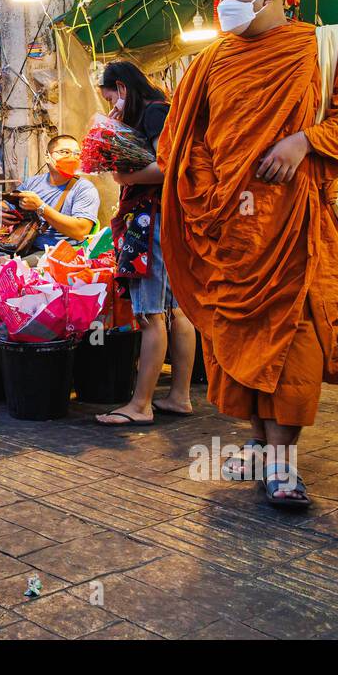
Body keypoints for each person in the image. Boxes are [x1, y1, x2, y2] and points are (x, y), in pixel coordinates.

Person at [158, 0, 338, 508]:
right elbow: (180, 143)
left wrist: (305, 141)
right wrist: (212, 192)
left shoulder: (326, 47)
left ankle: (284, 461)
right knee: (234, 340)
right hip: (229, 234)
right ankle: (260, 446)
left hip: (297, 227)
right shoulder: (210, 62)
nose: (224, 4)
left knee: (297, 342)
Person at [93, 61, 196, 427]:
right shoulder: (163, 110)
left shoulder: (154, 113)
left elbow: (168, 168)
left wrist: (124, 175)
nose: (113, 108)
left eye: (112, 99)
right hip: (169, 218)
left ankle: (140, 404)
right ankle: (179, 396)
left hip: (150, 219)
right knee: (177, 311)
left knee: (150, 314)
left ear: (122, 88)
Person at [1, 135, 101, 252]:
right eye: (65, 152)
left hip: (59, 252)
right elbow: (8, 204)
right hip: (24, 244)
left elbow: (80, 231)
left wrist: (40, 207)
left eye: (76, 154)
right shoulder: (32, 183)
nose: (72, 158)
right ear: (47, 157)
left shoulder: (84, 189)